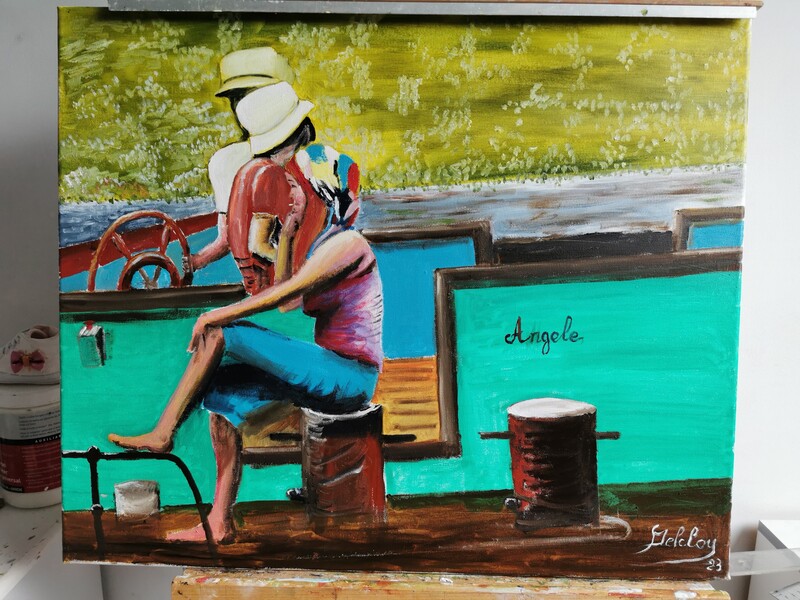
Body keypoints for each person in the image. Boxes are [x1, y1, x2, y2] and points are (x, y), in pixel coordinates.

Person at [108, 85, 383, 544]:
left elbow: (282, 295)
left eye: (304, 189)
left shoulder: (349, 245)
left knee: (224, 335)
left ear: (326, 192)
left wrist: (214, 315)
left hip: (350, 377)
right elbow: (290, 300)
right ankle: (220, 522)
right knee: (219, 394)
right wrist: (288, 235)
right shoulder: (324, 245)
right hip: (329, 371)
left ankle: (163, 433)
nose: (297, 194)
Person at [188, 47, 296, 273]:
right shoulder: (229, 162)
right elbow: (230, 238)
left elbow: (226, 239)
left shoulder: (226, 161)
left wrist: (195, 261)